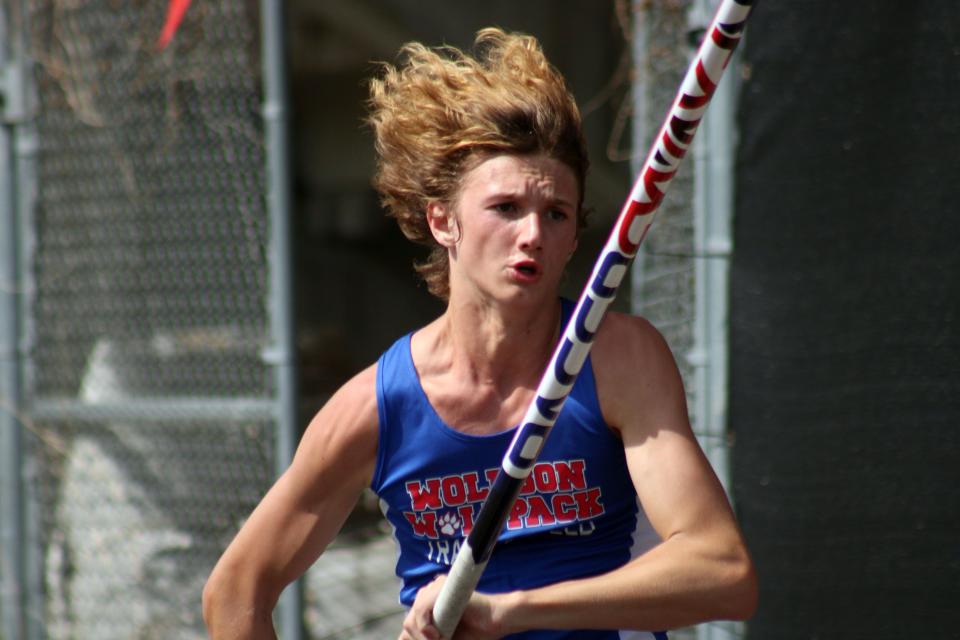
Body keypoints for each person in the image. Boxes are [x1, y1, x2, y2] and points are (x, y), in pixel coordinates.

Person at [202, 28, 757, 640]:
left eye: (556, 214)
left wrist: (509, 610)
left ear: (576, 236)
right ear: (443, 220)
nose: (532, 235)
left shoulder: (618, 358)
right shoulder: (375, 407)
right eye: (505, 208)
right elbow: (235, 593)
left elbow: (722, 572)